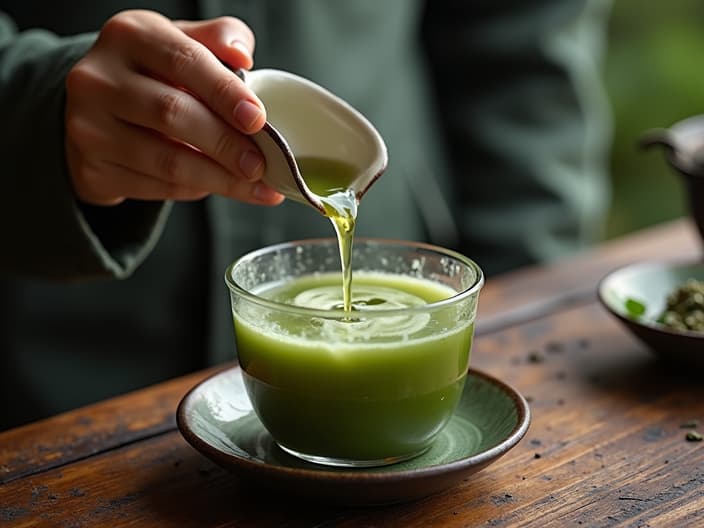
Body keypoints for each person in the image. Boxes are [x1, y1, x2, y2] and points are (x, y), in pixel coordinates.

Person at [0, 1, 613, 430]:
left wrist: (520, 306)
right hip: (51, 371)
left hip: (413, 235)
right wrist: (31, 105)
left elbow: (518, 47)